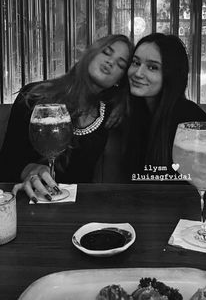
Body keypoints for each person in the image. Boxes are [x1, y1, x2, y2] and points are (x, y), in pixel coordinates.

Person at [0, 34, 133, 201]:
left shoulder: (111, 113)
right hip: (26, 202)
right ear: (90, 54)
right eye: (106, 52)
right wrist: (28, 169)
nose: (111, 62)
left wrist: (122, 101)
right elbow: (7, 162)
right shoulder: (35, 96)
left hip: (81, 209)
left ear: (120, 80)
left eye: (121, 64)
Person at [122, 33, 206, 182]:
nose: (138, 73)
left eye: (152, 67)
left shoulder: (189, 117)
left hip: (186, 203)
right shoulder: (136, 111)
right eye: (136, 63)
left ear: (171, 75)